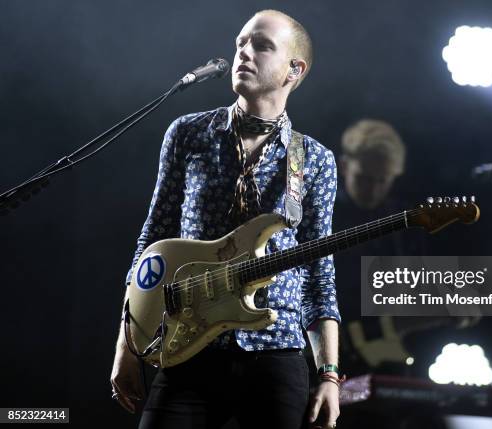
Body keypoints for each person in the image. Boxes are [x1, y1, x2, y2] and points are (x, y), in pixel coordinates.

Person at [110, 10, 342, 429]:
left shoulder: (314, 160)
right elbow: (153, 246)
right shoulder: (188, 134)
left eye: (262, 45)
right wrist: (127, 345)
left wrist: (329, 375)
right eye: (241, 43)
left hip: (276, 354)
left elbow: (318, 272)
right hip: (187, 347)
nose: (244, 53)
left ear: (295, 69)